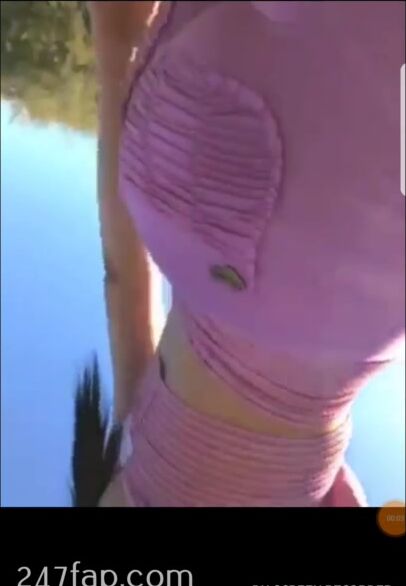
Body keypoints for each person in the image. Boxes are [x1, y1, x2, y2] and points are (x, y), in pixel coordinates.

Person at [89, 1, 405, 507]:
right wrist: (116, 48)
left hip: (369, 309)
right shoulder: (131, 458)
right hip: (215, 185)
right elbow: (121, 278)